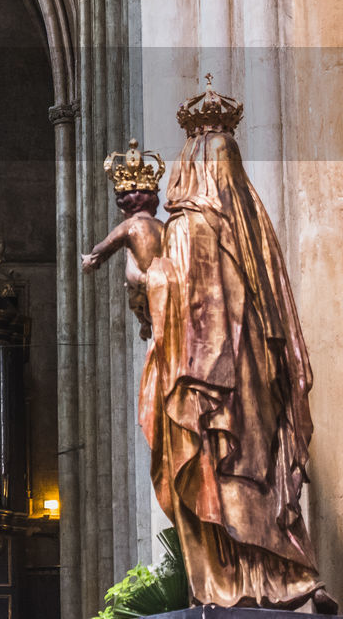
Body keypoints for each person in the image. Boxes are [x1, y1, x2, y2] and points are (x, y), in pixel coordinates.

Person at [139, 79, 335, 612]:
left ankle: (265, 579)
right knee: (232, 473)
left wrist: (144, 280)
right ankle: (248, 581)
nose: (222, 172)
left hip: (227, 385)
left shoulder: (209, 227)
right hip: (221, 384)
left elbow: (166, 291)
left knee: (245, 474)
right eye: (218, 160)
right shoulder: (237, 224)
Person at [82, 139, 165, 340]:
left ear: (123, 207)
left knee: (134, 285)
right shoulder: (162, 226)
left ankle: (144, 323)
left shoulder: (130, 226)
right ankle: (147, 323)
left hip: (143, 283)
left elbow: (105, 246)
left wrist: (91, 260)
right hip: (163, 281)